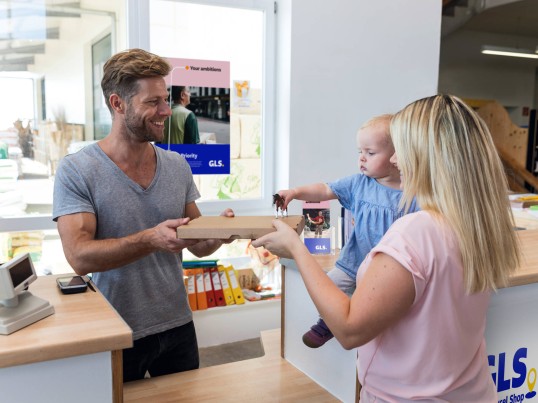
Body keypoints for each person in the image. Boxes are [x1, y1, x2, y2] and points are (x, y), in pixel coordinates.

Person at [254, 94, 521, 401]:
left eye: (402, 150)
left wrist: (296, 249)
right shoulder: (477, 223)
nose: (394, 160)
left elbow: (351, 330)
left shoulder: (416, 231)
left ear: (429, 155)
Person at [52, 49, 232, 382]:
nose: (166, 110)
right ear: (118, 103)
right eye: (153, 102)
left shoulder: (177, 166)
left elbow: (198, 245)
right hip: (115, 330)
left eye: (165, 99)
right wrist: (151, 238)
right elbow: (79, 257)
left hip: (177, 324)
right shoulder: (78, 170)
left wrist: (220, 233)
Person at [275, 114, 418, 348]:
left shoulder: (413, 192)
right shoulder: (359, 184)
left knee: (380, 305)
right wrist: (295, 191)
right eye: (359, 152)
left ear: (397, 155)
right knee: (329, 287)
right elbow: (324, 190)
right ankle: (329, 323)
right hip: (354, 260)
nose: (362, 158)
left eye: (370, 153)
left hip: (389, 270)